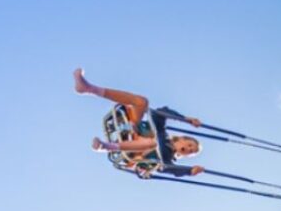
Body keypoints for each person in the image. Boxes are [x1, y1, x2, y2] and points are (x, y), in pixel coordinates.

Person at [74, 69, 205, 177]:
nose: (188, 149)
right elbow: (160, 112)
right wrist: (185, 119)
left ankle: (105, 146)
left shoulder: (167, 158)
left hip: (133, 152)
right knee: (142, 102)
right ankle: (89, 88)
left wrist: (189, 171)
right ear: (181, 138)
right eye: (189, 145)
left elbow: (168, 169)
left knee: (153, 143)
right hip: (129, 129)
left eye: (190, 152)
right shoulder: (162, 132)